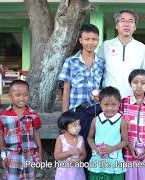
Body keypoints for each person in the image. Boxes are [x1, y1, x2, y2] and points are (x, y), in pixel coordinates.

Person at [58, 24, 104, 162]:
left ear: (98, 40)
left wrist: (100, 94)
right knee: (79, 144)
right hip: (78, 111)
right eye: (87, 39)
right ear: (81, 40)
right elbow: (66, 88)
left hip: (96, 110)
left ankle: (92, 174)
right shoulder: (70, 62)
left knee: (94, 144)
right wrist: (65, 115)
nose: (91, 42)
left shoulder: (101, 63)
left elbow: (102, 86)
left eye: (94, 39)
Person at [97, 9, 145, 98]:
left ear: (135, 27)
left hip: (133, 99)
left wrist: (144, 97)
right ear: (116, 25)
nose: (127, 24)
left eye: (131, 21)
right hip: (110, 99)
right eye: (122, 20)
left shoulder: (141, 47)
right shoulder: (106, 45)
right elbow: (97, 71)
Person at [0, 80, 42, 179]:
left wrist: (39, 150)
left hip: (29, 155)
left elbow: (36, 132)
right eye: (18, 95)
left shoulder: (33, 115)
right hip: (11, 155)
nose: (22, 98)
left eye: (25, 95)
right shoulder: (4, 115)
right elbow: (0, 134)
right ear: (10, 95)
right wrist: (3, 156)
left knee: (29, 177)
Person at [87, 86, 128, 180]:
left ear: (119, 104)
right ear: (100, 104)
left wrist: (112, 148)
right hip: (98, 161)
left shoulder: (121, 120)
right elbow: (89, 137)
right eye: (106, 104)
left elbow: (125, 141)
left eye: (113, 105)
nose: (110, 108)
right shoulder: (96, 120)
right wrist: (95, 148)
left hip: (114, 163)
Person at [54, 111, 86, 180]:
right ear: (64, 128)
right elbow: (56, 156)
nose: (78, 127)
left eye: (78, 124)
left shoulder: (80, 139)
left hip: (78, 173)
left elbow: (84, 155)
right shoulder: (61, 139)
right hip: (63, 174)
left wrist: (78, 160)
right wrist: (70, 152)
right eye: (74, 125)